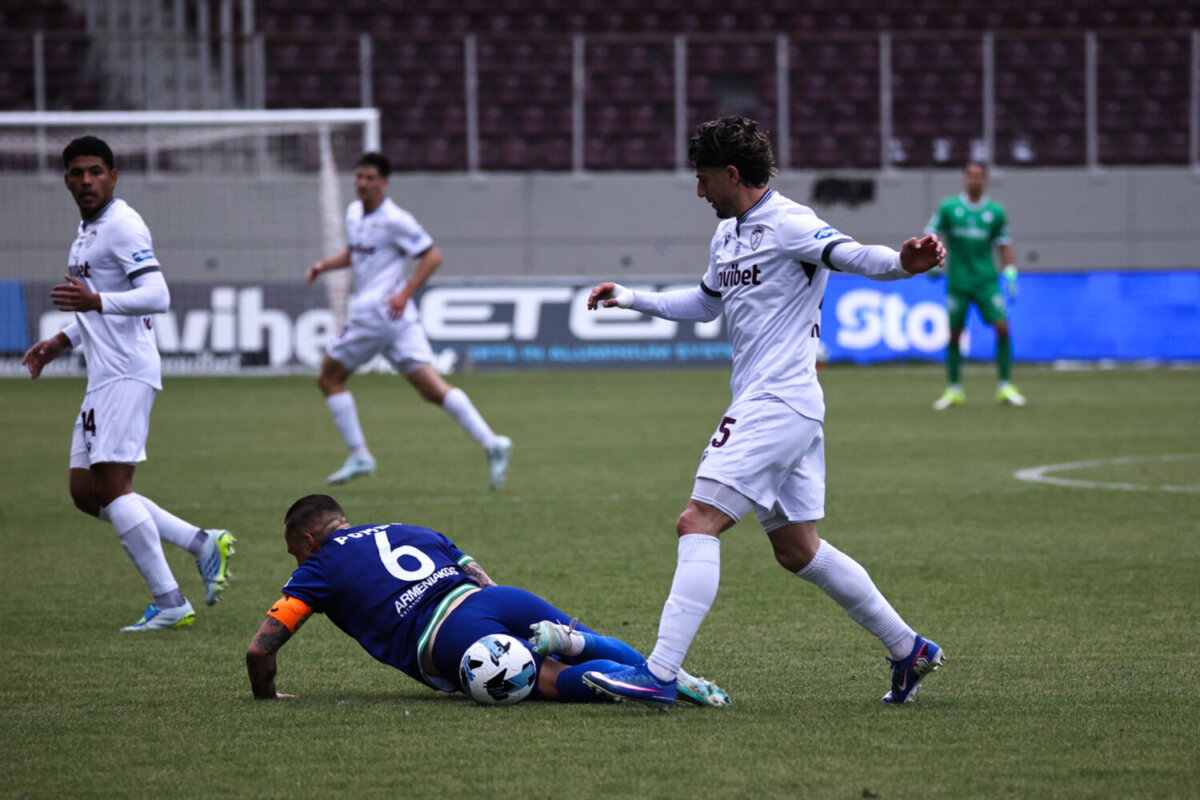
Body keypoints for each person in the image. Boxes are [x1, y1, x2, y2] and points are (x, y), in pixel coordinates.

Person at [582, 116, 947, 708]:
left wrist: (904, 263)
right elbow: (706, 303)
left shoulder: (790, 222)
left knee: (697, 521)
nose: (699, 191)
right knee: (798, 549)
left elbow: (854, 255)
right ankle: (909, 649)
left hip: (777, 400)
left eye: (703, 179)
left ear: (731, 174)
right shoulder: (726, 236)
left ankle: (660, 673)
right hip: (783, 405)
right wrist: (630, 298)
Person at [21, 135, 235, 632]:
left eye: (96, 171)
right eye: (77, 172)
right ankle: (202, 542)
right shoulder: (86, 232)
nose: (87, 180)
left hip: (126, 371)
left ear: (113, 177)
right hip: (102, 376)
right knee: (86, 493)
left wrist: (96, 302)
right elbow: (99, 304)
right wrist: (61, 340)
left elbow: (156, 294)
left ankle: (170, 602)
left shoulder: (122, 225)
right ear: (66, 180)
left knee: (116, 490)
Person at [245, 494, 729, 706]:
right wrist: (504, 614)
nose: (296, 561)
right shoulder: (408, 528)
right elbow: (476, 573)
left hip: (449, 636)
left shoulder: (316, 568)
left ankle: (617, 670)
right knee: (586, 640)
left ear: (308, 540)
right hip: (499, 601)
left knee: (554, 682)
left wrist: (267, 696)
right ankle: (657, 671)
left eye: (293, 552)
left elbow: (260, 649)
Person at [305, 152, 512, 488]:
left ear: (385, 182)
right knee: (431, 388)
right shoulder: (354, 213)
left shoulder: (395, 219)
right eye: (359, 176)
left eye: (370, 178)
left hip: (375, 314)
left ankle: (359, 454)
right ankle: (492, 443)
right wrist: (324, 266)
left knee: (329, 379)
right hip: (397, 320)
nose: (363, 183)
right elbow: (357, 252)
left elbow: (432, 255)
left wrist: (406, 291)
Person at [925, 161, 1026, 409]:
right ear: (964, 178)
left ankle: (1005, 385)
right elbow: (931, 233)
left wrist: (1010, 272)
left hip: (986, 282)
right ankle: (954, 389)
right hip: (958, 281)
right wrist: (931, 259)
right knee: (955, 334)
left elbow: (1003, 244)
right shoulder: (949, 208)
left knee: (1003, 328)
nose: (975, 179)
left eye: (979, 175)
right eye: (970, 175)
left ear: (986, 179)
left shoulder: (995, 212)